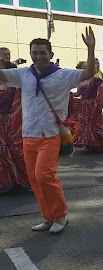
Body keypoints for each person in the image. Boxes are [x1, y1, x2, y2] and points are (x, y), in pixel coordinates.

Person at [0, 28, 97, 233]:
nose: (38, 56)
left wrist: (91, 48)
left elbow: (89, 73)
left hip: (51, 133)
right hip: (28, 133)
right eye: (34, 52)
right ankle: (48, 217)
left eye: (42, 52)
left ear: (51, 55)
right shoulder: (23, 73)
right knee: (34, 179)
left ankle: (60, 216)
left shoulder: (63, 75)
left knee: (44, 175)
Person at [66, 61, 103, 150]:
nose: (85, 70)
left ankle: (95, 142)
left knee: (93, 124)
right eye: (83, 68)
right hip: (84, 105)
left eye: (86, 68)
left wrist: (98, 102)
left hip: (93, 105)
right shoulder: (81, 81)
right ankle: (88, 142)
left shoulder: (95, 79)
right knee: (84, 124)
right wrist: (69, 94)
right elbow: (78, 93)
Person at [0, 59, 29, 193]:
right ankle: (6, 181)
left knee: (12, 151)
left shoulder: (15, 86)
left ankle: (21, 179)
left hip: (10, 123)